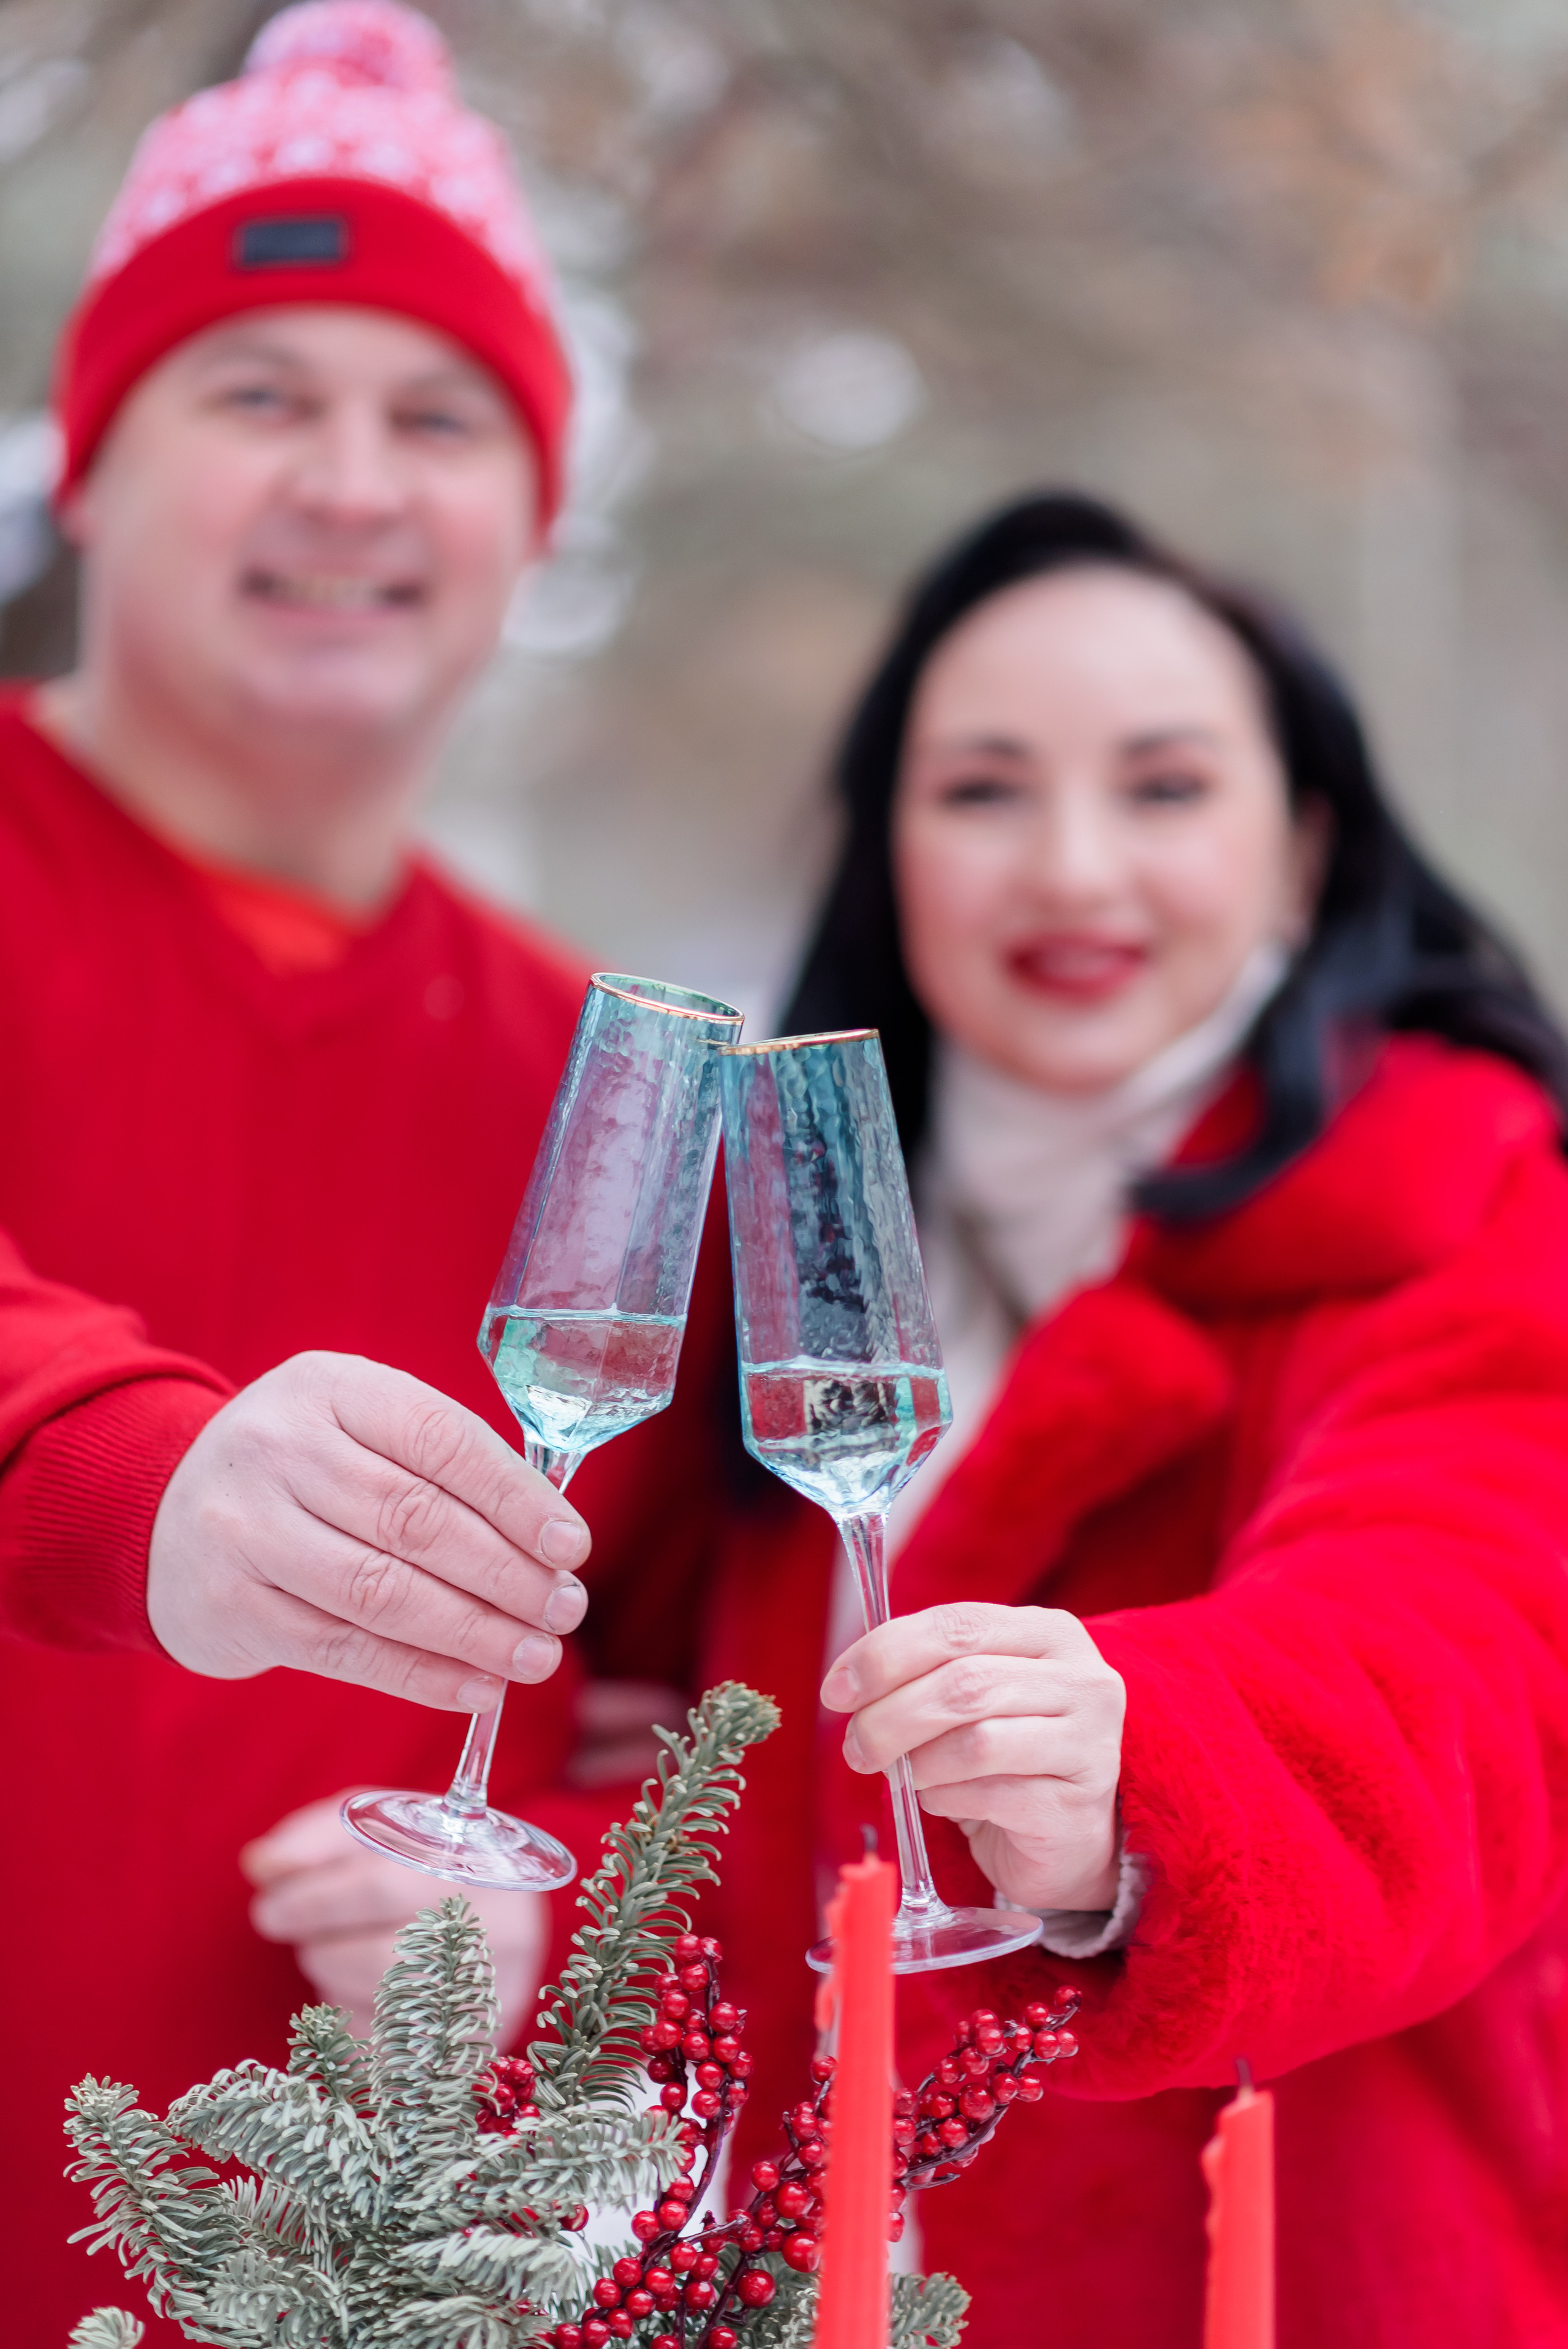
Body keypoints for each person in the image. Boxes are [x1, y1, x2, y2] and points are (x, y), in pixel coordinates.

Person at [1, 9, 722, 2336]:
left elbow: (701, 1696)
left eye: (438, 419)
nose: (350, 483)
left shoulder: (598, 1086)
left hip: (316, 2288)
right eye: (257, 395)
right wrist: (125, 1470)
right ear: (90, 466)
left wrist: (556, 1902)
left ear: (534, 523)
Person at [699, 491, 1568, 2348]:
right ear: (888, 853)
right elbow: (747, 1769)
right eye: (985, 791)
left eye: (1164, 789)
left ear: (1303, 846)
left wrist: (1150, 1761)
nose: (1072, 870)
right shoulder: (811, 1240)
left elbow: (1478, 1654)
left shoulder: (1461, 1195)